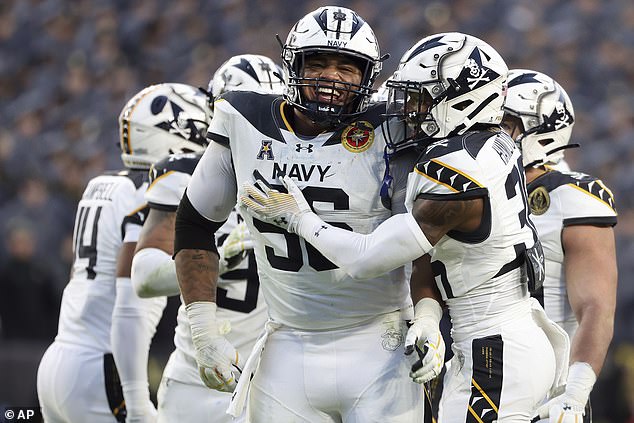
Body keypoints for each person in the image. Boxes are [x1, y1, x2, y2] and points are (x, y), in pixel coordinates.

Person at [240, 32, 571, 421]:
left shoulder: (456, 172)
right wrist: (429, 318)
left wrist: (301, 220)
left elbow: (367, 260)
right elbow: (429, 258)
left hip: (493, 346)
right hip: (506, 334)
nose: (408, 109)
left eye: (422, 97)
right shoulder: (491, 143)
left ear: (461, 100)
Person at [173, 6, 426, 422]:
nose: (332, 76)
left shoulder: (393, 126)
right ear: (293, 64)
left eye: (348, 66)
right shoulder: (243, 119)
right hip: (288, 343)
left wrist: (429, 316)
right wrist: (203, 332)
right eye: (319, 62)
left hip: (380, 340)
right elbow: (195, 223)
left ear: (368, 76)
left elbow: (421, 239)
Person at [37, 82, 210, 423]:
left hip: (59, 356)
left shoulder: (101, 184)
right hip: (104, 366)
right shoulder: (151, 192)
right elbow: (131, 295)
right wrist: (134, 394)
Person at [130, 54, 282, 423]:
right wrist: (217, 261)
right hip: (196, 378)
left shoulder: (309, 172)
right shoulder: (186, 173)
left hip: (277, 379)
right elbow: (144, 276)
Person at [501, 69, 618, 423]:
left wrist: (575, 393)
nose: (489, 134)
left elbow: (596, 307)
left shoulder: (570, 197)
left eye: (504, 123)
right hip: (473, 371)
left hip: (548, 390)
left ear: (542, 130)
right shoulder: (467, 188)